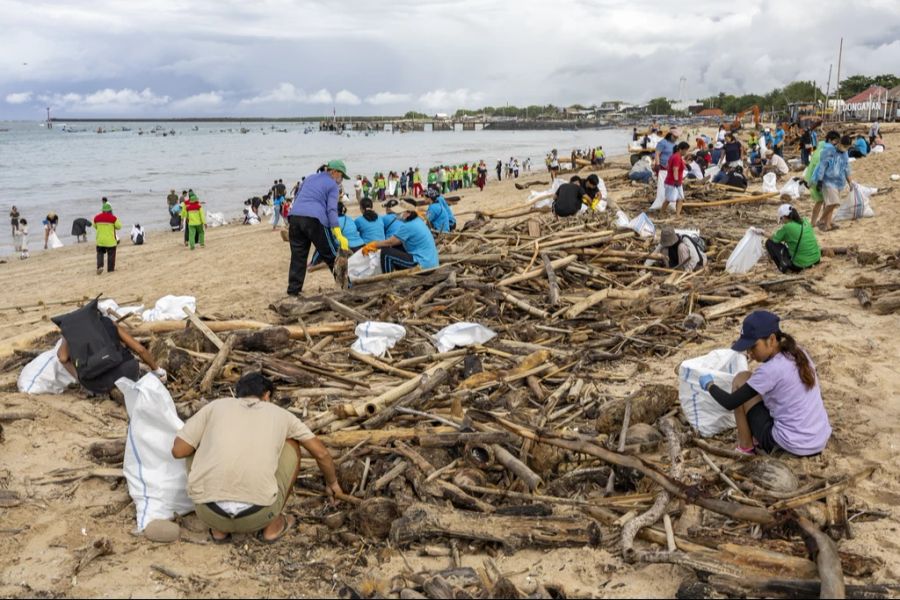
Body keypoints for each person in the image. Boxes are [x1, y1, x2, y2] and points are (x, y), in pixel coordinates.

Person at [171, 372, 342, 543]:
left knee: (193, 445)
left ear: (238, 393)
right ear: (267, 395)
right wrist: (332, 483)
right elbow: (321, 453)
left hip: (208, 513)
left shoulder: (215, 407)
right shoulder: (282, 415)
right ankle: (272, 527)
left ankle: (219, 531)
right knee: (292, 443)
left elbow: (178, 451)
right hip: (258, 515)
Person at [698, 311, 831, 456]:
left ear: (772, 340)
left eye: (753, 347)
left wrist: (709, 385)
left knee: (740, 380)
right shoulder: (799, 354)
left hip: (790, 444)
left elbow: (730, 402)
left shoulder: (770, 370)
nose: (749, 353)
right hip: (818, 439)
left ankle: (746, 447)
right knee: (755, 386)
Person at [56, 300, 165, 396]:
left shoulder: (72, 333)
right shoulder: (107, 322)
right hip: (127, 373)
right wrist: (157, 369)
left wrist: (65, 336)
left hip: (97, 385)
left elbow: (63, 358)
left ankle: (84, 384)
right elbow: (139, 349)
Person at [287, 160, 351, 296]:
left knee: (298, 256)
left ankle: (293, 290)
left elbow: (297, 197)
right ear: (334, 172)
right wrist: (338, 233)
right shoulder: (333, 185)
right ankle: (346, 286)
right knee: (331, 254)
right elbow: (332, 209)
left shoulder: (310, 178)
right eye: (341, 176)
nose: (341, 180)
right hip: (314, 220)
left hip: (295, 217)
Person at [361, 210, 438, 273]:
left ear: (408, 213)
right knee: (396, 247)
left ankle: (389, 282)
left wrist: (374, 244)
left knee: (386, 253)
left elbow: (390, 242)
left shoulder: (408, 226)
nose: (398, 214)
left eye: (401, 212)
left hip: (423, 265)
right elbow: (396, 241)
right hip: (431, 262)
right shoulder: (417, 220)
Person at [812, 134, 853, 232]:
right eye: (844, 146)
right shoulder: (829, 151)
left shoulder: (845, 153)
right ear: (839, 143)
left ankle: (827, 225)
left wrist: (850, 182)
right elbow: (822, 166)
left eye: (847, 147)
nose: (845, 149)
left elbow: (847, 168)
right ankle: (821, 220)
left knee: (830, 204)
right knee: (834, 202)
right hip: (827, 181)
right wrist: (820, 180)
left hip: (839, 182)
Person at [763, 204, 820, 273]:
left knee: (769, 243)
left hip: (801, 265)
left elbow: (775, 238)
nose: (782, 222)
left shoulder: (787, 227)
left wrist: (762, 233)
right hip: (816, 260)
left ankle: (785, 269)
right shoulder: (806, 221)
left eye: (781, 219)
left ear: (784, 217)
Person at [661, 141, 689, 215]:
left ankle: (677, 215)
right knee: (669, 199)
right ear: (680, 149)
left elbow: (668, 166)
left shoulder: (676, 156)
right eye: (685, 150)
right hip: (672, 182)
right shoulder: (676, 157)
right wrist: (676, 180)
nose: (686, 152)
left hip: (676, 182)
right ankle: (661, 213)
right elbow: (675, 169)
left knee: (680, 198)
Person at [93, 202, 121, 274]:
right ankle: (110, 269)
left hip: (100, 240)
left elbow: (94, 226)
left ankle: (100, 266)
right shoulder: (113, 218)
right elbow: (119, 226)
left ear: (102, 210)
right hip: (110, 241)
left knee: (100, 253)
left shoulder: (97, 217)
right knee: (111, 254)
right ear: (110, 211)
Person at [653, 131, 678, 208]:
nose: (676, 139)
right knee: (662, 184)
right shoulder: (662, 142)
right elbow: (657, 153)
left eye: (677, 137)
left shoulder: (674, 145)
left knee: (670, 184)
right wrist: (657, 164)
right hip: (662, 166)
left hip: (670, 167)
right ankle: (661, 200)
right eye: (674, 137)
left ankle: (668, 201)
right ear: (670, 136)